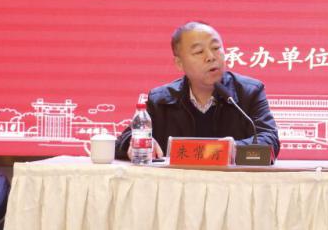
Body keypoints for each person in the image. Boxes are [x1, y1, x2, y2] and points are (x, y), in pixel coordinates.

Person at [115, 21, 281, 160]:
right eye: (199, 52)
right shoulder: (161, 100)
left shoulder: (249, 92)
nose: (211, 57)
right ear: (179, 63)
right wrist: (140, 144)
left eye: (216, 48)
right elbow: (123, 141)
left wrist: (235, 148)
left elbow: (270, 140)